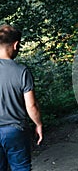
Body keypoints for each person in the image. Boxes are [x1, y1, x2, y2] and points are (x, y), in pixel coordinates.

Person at [0, 25, 43, 171]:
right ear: (16, 44)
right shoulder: (21, 71)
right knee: (21, 168)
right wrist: (38, 124)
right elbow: (31, 106)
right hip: (15, 130)